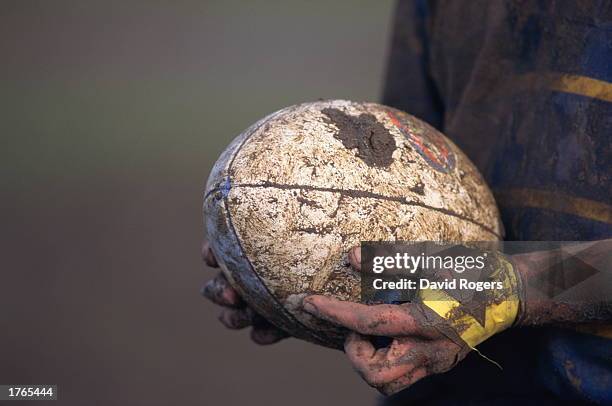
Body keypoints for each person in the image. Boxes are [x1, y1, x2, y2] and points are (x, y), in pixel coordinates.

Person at [202, 1, 612, 403]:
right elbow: (407, 169)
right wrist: (297, 272)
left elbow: (505, 285)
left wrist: (520, 286)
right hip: (453, 385)